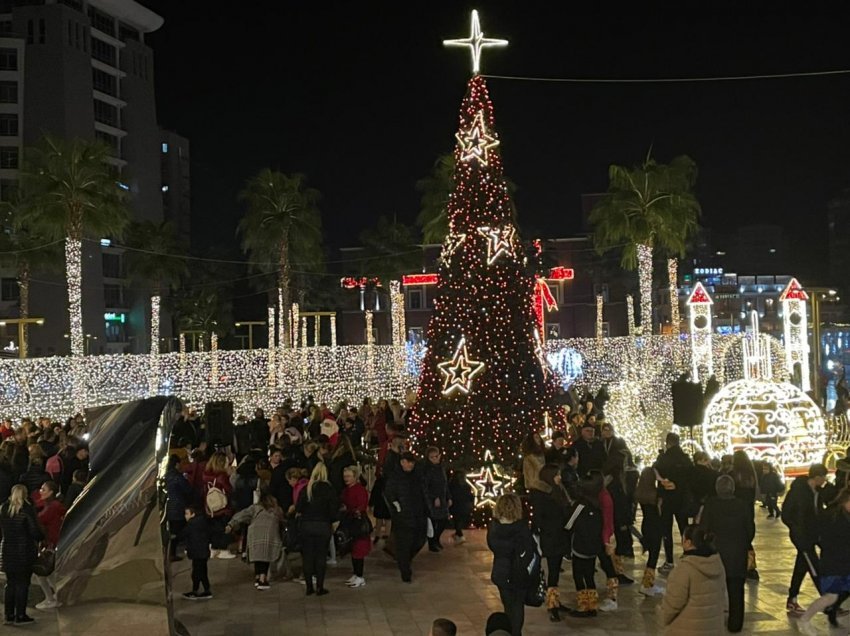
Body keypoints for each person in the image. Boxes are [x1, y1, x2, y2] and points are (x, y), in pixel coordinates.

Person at [698, 475, 754, 633]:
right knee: (736, 590)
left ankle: (712, 622)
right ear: (733, 488)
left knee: (714, 591)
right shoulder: (742, 505)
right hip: (737, 553)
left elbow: (703, 528)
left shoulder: (711, 504)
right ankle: (735, 624)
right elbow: (750, 529)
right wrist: (743, 542)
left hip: (716, 553)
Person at [798, 489, 850, 634]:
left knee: (832, 596)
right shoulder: (832, 517)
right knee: (830, 597)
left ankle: (806, 620)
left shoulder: (841, 515)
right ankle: (804, 620)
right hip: (834, 563)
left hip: (843, 563)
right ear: (845, 500)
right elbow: (824, 539)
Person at [659, 525, 726, 635]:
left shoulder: (684, 569)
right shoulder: (718, 563)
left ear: (688, 543)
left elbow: (672, 605)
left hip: (687, 629)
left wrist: (661, 616)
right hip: (712, 628)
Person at [782, 463, 828, 615]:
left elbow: (818, 512)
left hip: (813, 535)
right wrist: (796, 528)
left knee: (801, 567)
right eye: (823, 477)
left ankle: (792, 598)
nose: (825, 480)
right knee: (815, 567)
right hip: (803, 537)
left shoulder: (817, 492)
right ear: (817, 477)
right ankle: (828, 602)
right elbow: (786, 514)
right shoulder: (799, 492)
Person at [487, 493, 534, 635]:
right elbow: (529, 550)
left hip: (500, 571)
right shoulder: (521, 528)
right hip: (518, 572)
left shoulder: (494, 528)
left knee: (507, 606)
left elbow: (492, 546)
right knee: (518, 605)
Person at [530, 464, 571, 621]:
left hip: (559, 536)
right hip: (552, 538)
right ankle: (552, 605)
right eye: (557, 475)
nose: (559, 477)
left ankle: (555, 601)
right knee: (553, 572)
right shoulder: (544, 496)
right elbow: (538, 520)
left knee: (555, 572)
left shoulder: (558, 491)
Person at [0, 484, 43, 625]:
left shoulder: (4, 509)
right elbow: (35, 532)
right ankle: (21, 615)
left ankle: (9, 615)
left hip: (7, 550)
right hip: (25, 552)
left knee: (10, 583)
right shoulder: (27, 510)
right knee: (23, 584)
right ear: (25, 494)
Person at [384, 452, 428, 582]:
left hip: (418, 514)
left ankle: (405, 559)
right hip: (403, 516)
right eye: (407, 462)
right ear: (402, 462)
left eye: (412, 462)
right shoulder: (395, 477)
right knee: (404, 543)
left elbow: (423, 492)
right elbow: (389, 494)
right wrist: (397, 507)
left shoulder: (417, 476)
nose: (410, 465)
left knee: (419, 539)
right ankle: (405, 569)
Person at [295, 462, 338, 596]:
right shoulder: (329, 489)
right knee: (320, 556)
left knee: (307, 556)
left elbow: (298, 508)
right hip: (323, 526)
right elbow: (334, 511)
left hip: (307, 526)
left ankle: (309, 587)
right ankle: (320, 587)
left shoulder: (307, 489)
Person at [228, 493, 285, 590]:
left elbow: (241, 515)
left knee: (258, 556)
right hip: (270, 536)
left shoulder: (255, 508)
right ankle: (263, 580)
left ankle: (258, 577)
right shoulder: (277, 510)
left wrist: (231, 524)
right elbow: (282, 521)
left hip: (255, 534)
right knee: (266, 557)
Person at [566, 474, 603, 618]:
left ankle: (583, 606)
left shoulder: (580, 505)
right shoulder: (597, 503)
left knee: (578, 575)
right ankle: (592, 605)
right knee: (589, 575)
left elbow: (569, 524)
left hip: (580, 547)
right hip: (594, 547)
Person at [654, 432, 693, 571]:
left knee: (666, 529)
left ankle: (669, 561)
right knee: (684, 528)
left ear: (668, 443)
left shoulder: (664, 458)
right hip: (682, 499)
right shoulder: (685, 459)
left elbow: (655, 471)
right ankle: (688, 554)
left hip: (667, 499)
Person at [33, 480, 65, 610]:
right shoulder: (53, 505)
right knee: (49, 572)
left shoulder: (52, 507)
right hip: (52, 542)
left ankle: (50, 598)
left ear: (51, 492)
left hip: (51, 543)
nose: (41, 491)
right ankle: (56, 596)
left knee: (41, 572)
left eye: (43, 489)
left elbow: (39, 520)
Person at [729, 450, 760, 581]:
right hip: (749, 512)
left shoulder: (732, 475)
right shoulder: (751, 476)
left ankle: (739, 566)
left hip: (736, 512)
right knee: (747, 540)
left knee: (736, 540)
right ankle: (751, 567)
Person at [634, 465, 664, 596]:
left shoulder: (640, 492)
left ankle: (648, 583)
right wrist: (660, 478)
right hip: (656, 525)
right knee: (654, 555)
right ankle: (648, 584)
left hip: (646, 525)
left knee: (652, 553)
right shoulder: (656, 494)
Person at [201, 451, 236, 559]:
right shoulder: (222, 476)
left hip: (210, 507)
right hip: (222, 508)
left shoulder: (205, 475)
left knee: (213, 529)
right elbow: (228, 490)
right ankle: (223, 550)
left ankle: (214, 549)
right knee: (223, 528)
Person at [340, 465, 370, 588]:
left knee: (359, 549)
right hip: (349, 521)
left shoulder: (359, 489)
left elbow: (362, 505)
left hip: (358, 523)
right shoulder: (346, 490)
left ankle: (360, 576)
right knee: (353, 549)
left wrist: (354, 511)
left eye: (348, 476)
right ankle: (356, 574)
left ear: (355, 477)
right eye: (345, 476)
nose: (346, 479)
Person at [164, 454, 193, 561]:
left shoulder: (166, 476)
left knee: (172, 531)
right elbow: (187, 489)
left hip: (169, 507)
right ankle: (173, 553)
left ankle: (170, 552)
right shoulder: (177, 477)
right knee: (180, 530)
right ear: (177, 464)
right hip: (178, 506)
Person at [181, 506, 213, 600]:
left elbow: (182, 534)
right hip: (203, 552)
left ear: (193, 514)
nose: (185, 516)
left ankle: (195, 591)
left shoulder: (191, 524)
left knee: (197, 573)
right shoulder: (203, 522)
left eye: (187, 514)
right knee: (203, 571)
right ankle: (206, 590)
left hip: (197, 552)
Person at [423, 446, 449, 552]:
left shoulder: (441, 468)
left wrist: (449, 497)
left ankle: (436, 539)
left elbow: (445, 484)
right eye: (431, 457)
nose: (434, 459)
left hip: (442, 498)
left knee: (443, 520)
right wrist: (434, 497)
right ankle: (432, 543)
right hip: (432, 499)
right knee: (433, 522)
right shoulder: (427, 470)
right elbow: (426, 486)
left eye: (436, 456)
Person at [448, 468, 473, 545]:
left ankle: (460, 535)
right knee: (459, 521)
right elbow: (470, 496)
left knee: (457, 520)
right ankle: (458, 534)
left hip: (455, 506)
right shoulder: (467, 486)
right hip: (465, 506)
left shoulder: (451, 485)